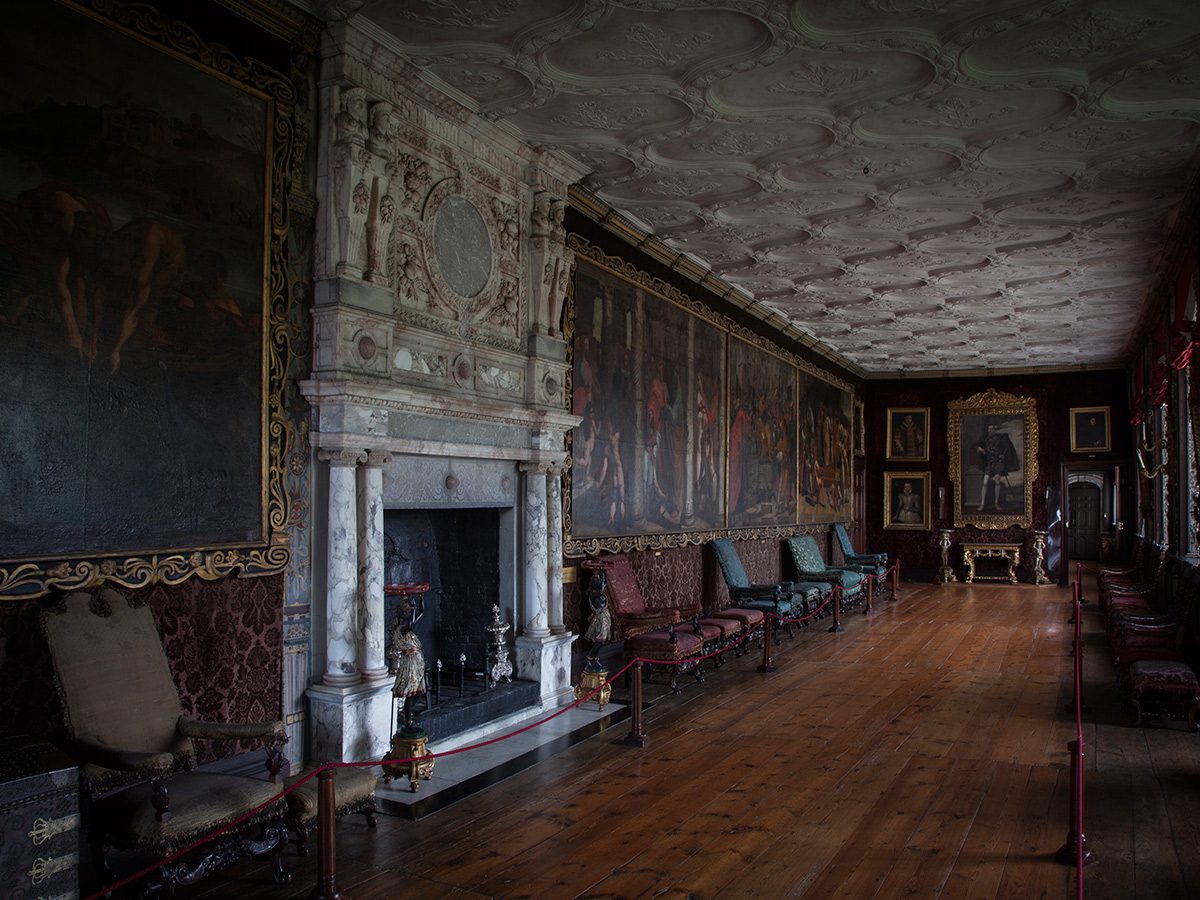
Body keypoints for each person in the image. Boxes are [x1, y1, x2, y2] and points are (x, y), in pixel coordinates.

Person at [388, 595, 426, 734]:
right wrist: (413, 606)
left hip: (416, 661)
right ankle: (408, 721)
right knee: (411, 692)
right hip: (410, 662)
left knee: (419, 692)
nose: (409, 614)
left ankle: (408, 717)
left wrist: (421, 599)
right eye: (407, 611)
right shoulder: (401, 630)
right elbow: (412, 620)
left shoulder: (406, 627)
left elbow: (420, 614)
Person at [975, 419, 1019, 511]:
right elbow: (981, 449)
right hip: (989, 463)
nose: (990, 431)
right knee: (985, 482)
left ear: (994, 429)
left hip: (998, 462)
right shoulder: (985, 439)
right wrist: (981, 450)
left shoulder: (1000, 438)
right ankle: (982, 503)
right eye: (989, 429)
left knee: (997, 480)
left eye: (991, 429)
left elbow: (1006, 449)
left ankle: (996, 503)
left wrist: (1003, 455)